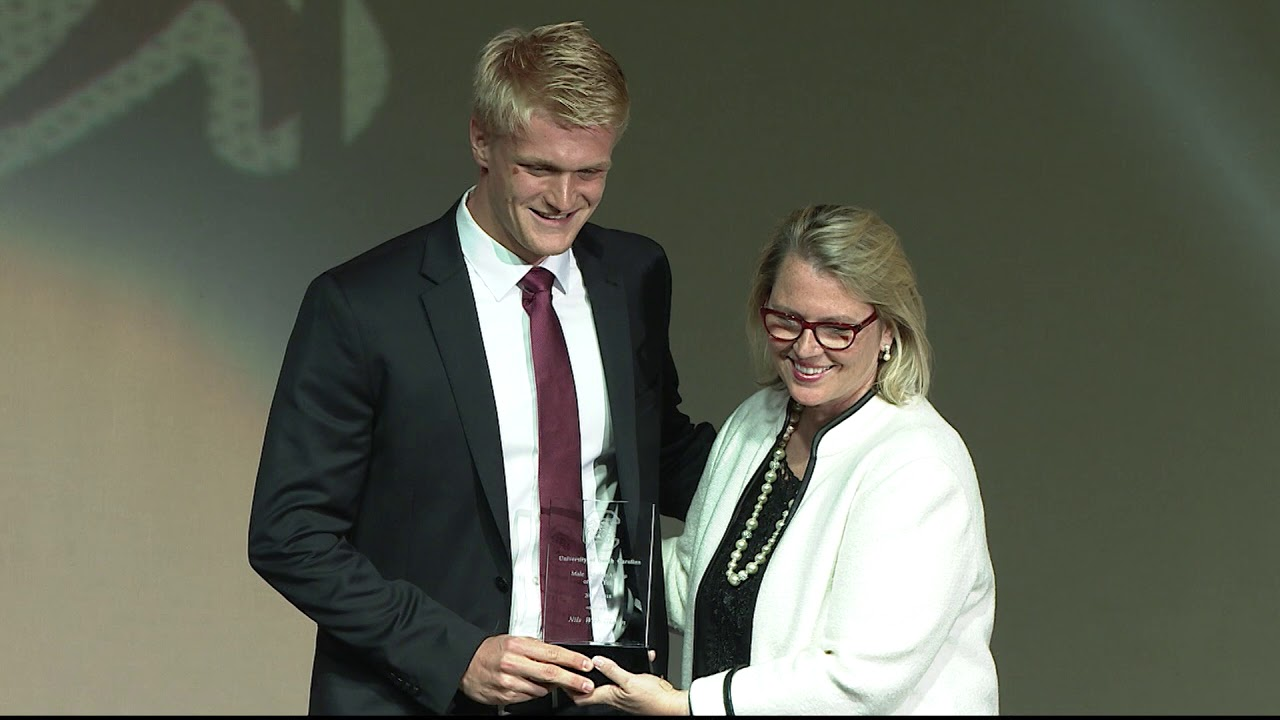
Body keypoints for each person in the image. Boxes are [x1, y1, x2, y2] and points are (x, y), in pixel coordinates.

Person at [247, 20, 715, 716]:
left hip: (605, 696)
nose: (565, 199)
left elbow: (656, 446)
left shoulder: (636, 274)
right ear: (481, 141)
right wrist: (452, 651)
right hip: (426, 697)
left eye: (590, 172)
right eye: (539, 168)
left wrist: (814, 464)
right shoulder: (363, 306)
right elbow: (290, 533)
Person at [574, 204, 999, 714]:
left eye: (837, 328)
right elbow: (700, 579)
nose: (806, 347)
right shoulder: (759, 420)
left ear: (888, 329)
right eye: (787, 320)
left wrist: (689, 707)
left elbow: (862, 677)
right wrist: (570, 563)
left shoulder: (917, 466)